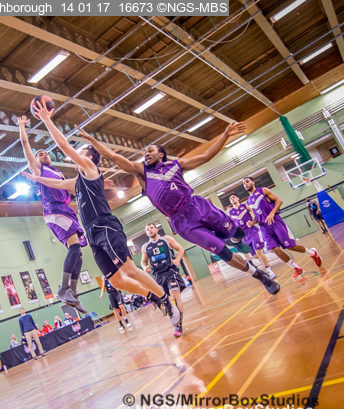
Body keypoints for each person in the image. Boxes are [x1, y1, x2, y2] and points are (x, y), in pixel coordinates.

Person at [24, 101, 181, 329]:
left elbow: (64, 146)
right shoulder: (77, 181)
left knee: (129, 270)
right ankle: (152, 296)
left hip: (105, 226)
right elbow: (57, 183)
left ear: (89, 158)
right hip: (92, 233)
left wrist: (46, 120)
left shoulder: (90, 169)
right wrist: (36, 179)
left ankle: (166, 299)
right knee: (117, 281)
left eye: (82, 152)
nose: (77, 154)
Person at [77, 121, 280, 296]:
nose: (146, 154)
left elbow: (206, 156)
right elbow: (114, 157)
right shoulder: (142, 172)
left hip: (197, 206)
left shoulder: (176, 164)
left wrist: (225, 134)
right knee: (223, 252)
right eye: (144, 153)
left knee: (239, 233)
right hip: (182, 222)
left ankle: (234, 238)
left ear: (161, 153)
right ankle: (258, 274)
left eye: (150, 150)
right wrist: (93, 141)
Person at [19, 115, 88, 313]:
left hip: (65, 210)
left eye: (46, 153)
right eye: (40, 154)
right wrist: (22, 126)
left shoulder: (57, 172)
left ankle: (72, 293)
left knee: (78, 253)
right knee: (74, 248)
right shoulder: (37, 169)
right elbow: (25, 145)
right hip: (54, 210)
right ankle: (64, 289)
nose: (44, 154)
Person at [244, 177, 322, 279]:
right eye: (244, 183)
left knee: (290, 246)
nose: (245, 184)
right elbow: (257, 217)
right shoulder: (248, 202)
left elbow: (279, 201)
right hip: (264, 227)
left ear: (253, 182)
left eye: (247, 181)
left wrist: (272, 213)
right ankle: (297, 268)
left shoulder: (263, 190)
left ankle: (312, 253)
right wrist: (252, 222)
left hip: (275, 222)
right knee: (275, 249)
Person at [141, 223, 187, 336]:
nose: (150, 230)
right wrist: (144, 267)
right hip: (158, 276)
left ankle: (178, 325)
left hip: (171, 271)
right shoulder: (145, 247)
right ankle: (174, 319)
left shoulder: (167, 239)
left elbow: (181, 249)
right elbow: (143, 261)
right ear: (146, 233)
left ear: (156, 229)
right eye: (147, 229)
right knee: (166, 300)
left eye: (151, 228)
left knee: (175, 293)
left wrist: (178, 259)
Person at [228, 195, 276, 278]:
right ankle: (265, 251)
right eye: (230, 198)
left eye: (233, 197)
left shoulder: (245, 206)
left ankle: (269, 270)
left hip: (252, 231)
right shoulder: (230, 212)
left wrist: (253, 222)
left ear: (238, 198)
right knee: (255, 256)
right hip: (243, 235)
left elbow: (255, 215)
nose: (232, 199)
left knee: (258, 252)